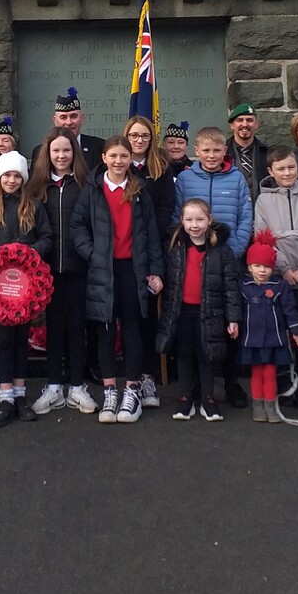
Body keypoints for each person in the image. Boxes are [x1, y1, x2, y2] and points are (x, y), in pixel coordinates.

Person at [71, 136, 165, 424]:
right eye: (113, 155)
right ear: (104, 158)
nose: (118, 161)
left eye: (124, 156)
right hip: (103, 269)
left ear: (130, 158)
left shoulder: (139, 190)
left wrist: (155, 270)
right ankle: (110, 390)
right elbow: (78, 226)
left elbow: (150, 234)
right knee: (106, 329)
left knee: (133, 327)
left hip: (132, 270)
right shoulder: (93, 190)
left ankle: (132, 390)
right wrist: (93, 253)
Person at [173, 125, 253, 408]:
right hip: (195, 261)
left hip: (226, 261)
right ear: (196, 151)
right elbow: (176, 217)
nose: (211, 155)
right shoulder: (184, 179)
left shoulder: (237, 179)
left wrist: (232, 252)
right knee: (196, 328)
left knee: (225, 324)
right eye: (206, 150)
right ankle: (194, 386)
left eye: (217, 150)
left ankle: (229, 383)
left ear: (225, 151)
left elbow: (246, 217)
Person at [0, 152, 54, 428]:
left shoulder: (33, 205)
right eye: (6, 175)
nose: (11, 179)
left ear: (23, 179)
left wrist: (30, 253)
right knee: (4, 341)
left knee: (22, 340)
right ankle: (5, 397)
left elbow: (46, 238)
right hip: (1, 288)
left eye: (16, 175)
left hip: (26, 285)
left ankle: (21, 396)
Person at [27, 127, 96, 415]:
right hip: (47, 271)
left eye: (66, 150)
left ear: (74, 153)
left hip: (79, 269)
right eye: (56, 150)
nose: (61, 156)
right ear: (47, 153)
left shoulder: (86, 185)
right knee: (53, 328)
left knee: (76, 326)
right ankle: (54, 385)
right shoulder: (36, 189)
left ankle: (78, 386)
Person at [156, 198, 241, 422]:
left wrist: (233, 319)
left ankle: (208, 398)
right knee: (184, 354)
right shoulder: (174, 247)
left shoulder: (221, 251)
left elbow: (231, 287)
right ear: (182, 221)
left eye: (200, 219)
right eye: (189, 219)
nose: (195, 225)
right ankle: (185, 397)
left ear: (209, 220)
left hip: (210, 313)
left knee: (207, 355)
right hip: (181, 311)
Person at [253, 145, 298, 407]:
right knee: (279, 330)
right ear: (271, 171)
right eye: (281, 169)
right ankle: (284, 383)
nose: (287, 173)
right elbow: (263, 237)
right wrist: (285, 268)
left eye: (291, 167)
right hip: (278, 273)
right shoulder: (263, 201)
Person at [124, 115, 175, 408]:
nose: (139, 140)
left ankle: (148, 375)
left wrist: (149, 232)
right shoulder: (120, 165)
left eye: (144, 136)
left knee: (148, 315)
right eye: (134, 135)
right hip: (125, 248)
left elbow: (167, 204)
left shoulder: (161, 166)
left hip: (152, 245)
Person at [239, 231, 298, 424]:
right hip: (251, 339)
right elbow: (235, 310)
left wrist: (297, 332)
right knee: (256, 373)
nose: (262, 271)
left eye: (267, 267)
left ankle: (271, 406)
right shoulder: (244, 286)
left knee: (270, 373)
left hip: (274, 339)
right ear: (249, 267)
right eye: (257, 266)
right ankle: (257, 407)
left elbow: (290, 310)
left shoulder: (280, 286)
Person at [31, 87, 105, 171]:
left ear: (82, 118)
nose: (69, 122)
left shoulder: (99, 147)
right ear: (55, 120)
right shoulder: (39, 152)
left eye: (74, 116)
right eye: (63, 117)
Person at [225, 104, 271, 202]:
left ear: (256, 124)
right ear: (232, 125)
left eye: (249, 120)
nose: (245, 124)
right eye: (240, 120)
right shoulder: (222, 153)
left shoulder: (267, 153)